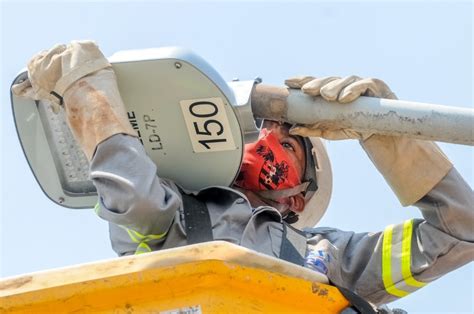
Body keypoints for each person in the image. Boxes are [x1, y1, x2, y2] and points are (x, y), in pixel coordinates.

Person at [12, 41, 473, 308]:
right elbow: (136, 200)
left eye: (287, 145)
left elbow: (460, 232)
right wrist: (90, 98)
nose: (265, 143)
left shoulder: (328, 255)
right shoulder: (177, 210)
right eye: (254, 134)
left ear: (296, 199)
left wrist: (386, 133)